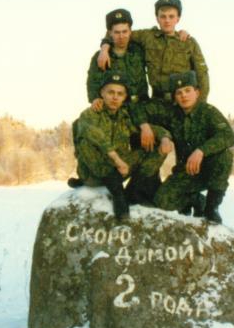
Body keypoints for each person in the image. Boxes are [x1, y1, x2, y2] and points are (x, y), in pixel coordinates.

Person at [97, 0, 209, 152]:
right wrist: (104, 48)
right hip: (156, 104)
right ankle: (149, 176)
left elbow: (202, 75)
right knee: (149, 146)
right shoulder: (147, 37)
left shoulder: (188, 42)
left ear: (178, 18)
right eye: (163, 16)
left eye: (171, 16)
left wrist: (199, 107)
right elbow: (119, 33)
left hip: (182, 104)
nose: (167, 21)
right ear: (157, 18)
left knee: (186, 150)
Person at [70, 72, 173, 219]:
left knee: (153, 148)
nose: (115, 97)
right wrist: (117, 160)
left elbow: (151, 129)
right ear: (102, 93)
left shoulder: (124, 116)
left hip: (118, 170)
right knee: (86, 141)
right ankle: (119, 195)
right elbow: (98, 138)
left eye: (120, 94)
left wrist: (165, 137)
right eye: (110, 92)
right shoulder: (90, 114)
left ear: (125, 97)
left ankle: (134, 191)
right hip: (95, 173)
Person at [149, 71, 234, 224]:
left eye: (188, 91)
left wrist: (201, 151)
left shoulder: (209, 112)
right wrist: (161, 135)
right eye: (179, 92)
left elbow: (228, 136)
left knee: (225, 155)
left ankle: (211, 208)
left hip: (209, 169)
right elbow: (152, 123)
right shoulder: (173, 115)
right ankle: (195, 199)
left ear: (197, 92)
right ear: (175, 97)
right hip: (186, 170)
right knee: (162, 201)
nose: (184, 96)